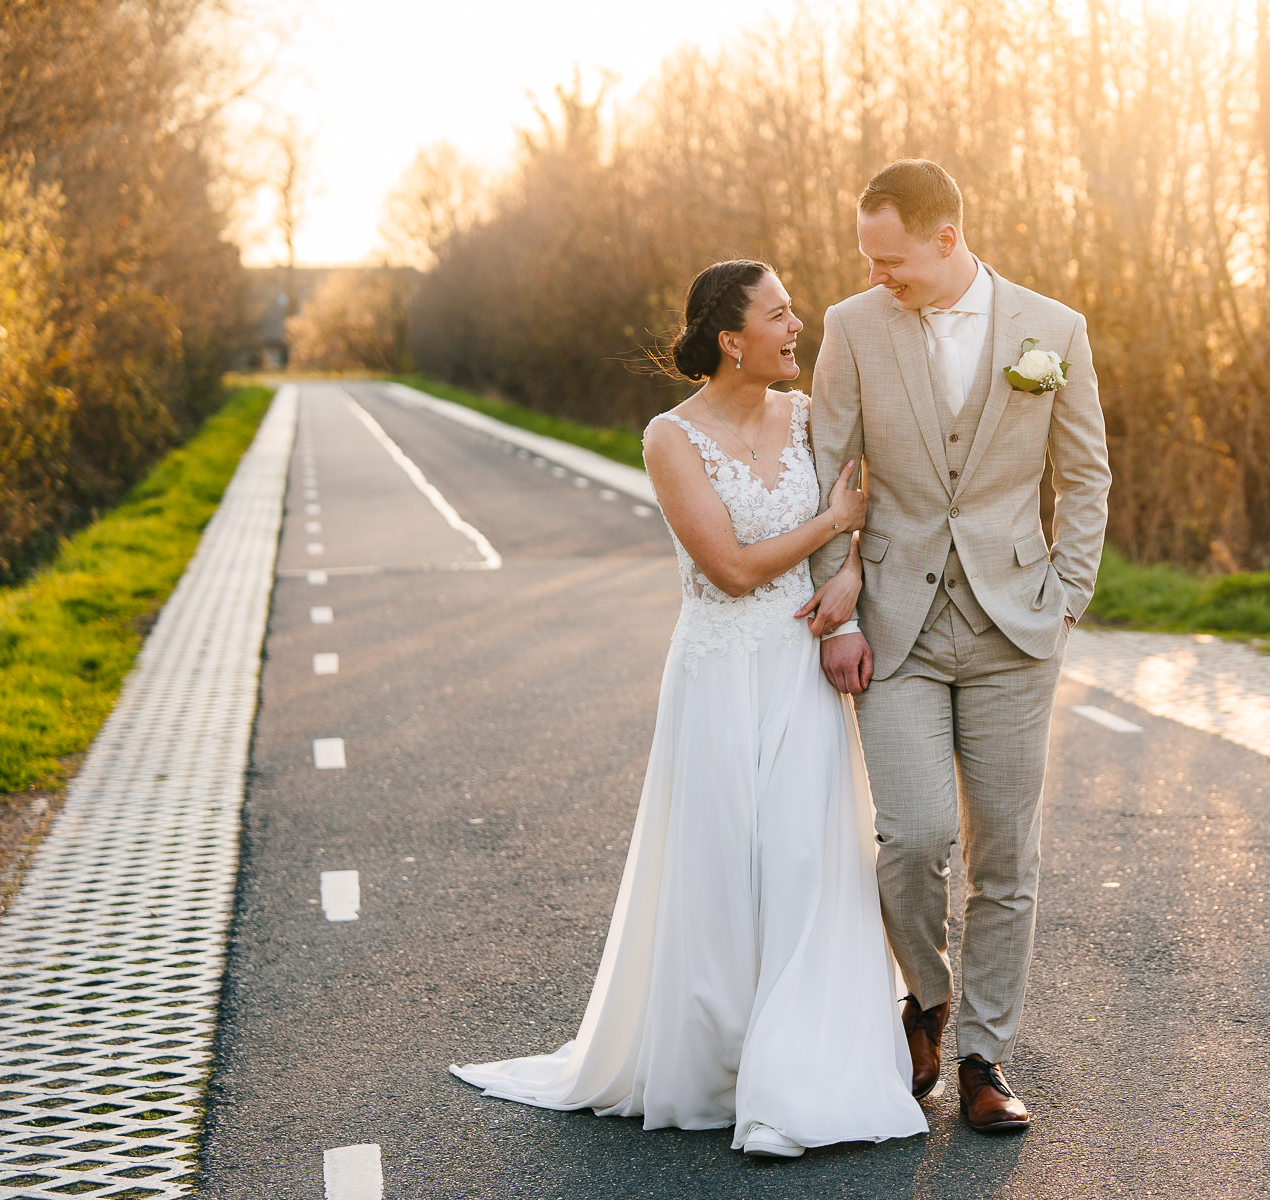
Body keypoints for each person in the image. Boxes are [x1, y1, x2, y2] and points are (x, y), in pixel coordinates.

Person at [450, 260, 928, 1158]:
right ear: (730, 338)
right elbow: (735, 568)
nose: (798, 326)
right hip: (717, 672)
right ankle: (718, 1067)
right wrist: (832, 529)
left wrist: (850, 576)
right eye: (779, 314)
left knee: (806, 862)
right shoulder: (671, 438)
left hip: (798, 669)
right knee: (718, 872)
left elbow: (860, 526)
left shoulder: (810, 415)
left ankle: (803, 1075)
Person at [808, 159, 1111, 1132]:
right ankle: (927, 997)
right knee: (915, 839)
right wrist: (837, 606)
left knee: (1006, 854)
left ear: (947, 238)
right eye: (867, 259)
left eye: (890, 259)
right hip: (895, 621)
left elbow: (1087, 475)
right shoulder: (853, 328)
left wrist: (1066, 599)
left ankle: (981, 1054)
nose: (876, 275)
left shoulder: (1052, 331)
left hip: (1016, 624)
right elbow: (827, 465)